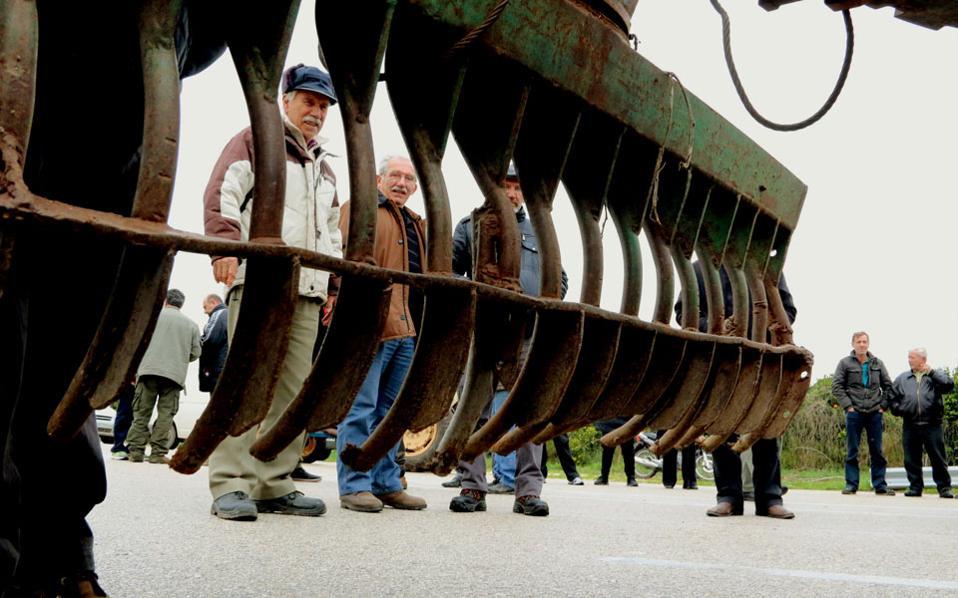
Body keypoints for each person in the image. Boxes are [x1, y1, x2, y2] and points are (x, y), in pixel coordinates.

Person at [203, 63, 342, 521]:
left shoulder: (325, 166)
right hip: (261, 283)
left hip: (308, 289)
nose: (316, 112)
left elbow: (330, 233)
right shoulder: (256, 139)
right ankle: (230, 482)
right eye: (309, 102)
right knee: (247, 384)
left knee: (290, 392)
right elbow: (223, 190)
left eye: (323, 106)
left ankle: (273, 482)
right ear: (286, 101)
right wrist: (223, 245)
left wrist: (333, 285)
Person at [448, 163, 568, 516]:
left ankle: (528, 492)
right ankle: (472, 486)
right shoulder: (470, 226)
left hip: (528, 334)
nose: (513, 194)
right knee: (473, 410)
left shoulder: (541, 232)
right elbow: (452, 271)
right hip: (484, 332)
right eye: (506, 186)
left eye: (518, 188)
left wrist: (544, 304)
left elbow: (559, 279)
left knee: (529, 414)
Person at [335, 155, 428, 513]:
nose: (402, 183)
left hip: (406, 328)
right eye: (395, 175)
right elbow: (339, 257)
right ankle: (354, 484)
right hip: (369, 326)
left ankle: (386, 482)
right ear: (378, 179)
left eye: (408, 178)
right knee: (361, 407)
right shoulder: (359, 209)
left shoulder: (415, 222)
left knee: (391, 412)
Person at [676, 262, 796, 519]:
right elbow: (682, 312)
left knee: (765, 429)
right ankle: (729, 496)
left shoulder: (765, 268)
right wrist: (718, 327)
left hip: (762, 359)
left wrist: (759, 329)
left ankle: (770, 498)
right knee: (722, 427)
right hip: (721, 362)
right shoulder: (699, 270)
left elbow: (788, 309)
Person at [126, 289, 201, 464]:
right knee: (166, 414)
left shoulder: (151, 318)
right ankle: (157, 453)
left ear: (165, 300)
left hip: (148, 371)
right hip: (174, 375)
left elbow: (136, 343)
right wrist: (180, 358)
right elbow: (196, 353)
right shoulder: (191, 325)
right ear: (181, 304)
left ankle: (136, 451)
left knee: (141, 413)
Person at [831, 331, 895, 495]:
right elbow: (837, 387)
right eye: (858, 341)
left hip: (875, 412)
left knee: (877, 451)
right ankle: (851, 484)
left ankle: (880, 485)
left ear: (868, 344)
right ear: (853, 344)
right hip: (854, 413)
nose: (862, 344)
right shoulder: (845, 363)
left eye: (864, 341)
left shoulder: (877, 363)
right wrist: (848, 406)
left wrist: (883, 406)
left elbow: (888, 387)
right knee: (852, 450)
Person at [887, 348, 954, 499]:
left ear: (922, 359)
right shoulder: (903, 378)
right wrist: (899, 409)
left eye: (912, 357)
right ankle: (915, 487)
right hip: (910, 424)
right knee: (911, 458)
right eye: (908, 357)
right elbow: (891, 396)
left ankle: (944, 488)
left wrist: (932, 372)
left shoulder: (936, 375)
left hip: (932, 424)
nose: (909, 360)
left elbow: (948, 385)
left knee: (938, 457)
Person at [198, 293, 228, 393]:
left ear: (213, 302)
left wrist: (197, 342)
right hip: (224, 366)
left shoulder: (219, 314)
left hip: (218, 369)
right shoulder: (228, 314)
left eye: (205, 307)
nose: (204, 311)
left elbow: (210, 339)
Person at [594, 419, 637, 486]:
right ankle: (604, 477)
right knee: (607, 451)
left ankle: (631, 477)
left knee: (628, 450)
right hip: (609, 422)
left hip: (626, 422)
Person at [109, 380, 136, 461]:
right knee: (124, 412)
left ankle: (135, 448)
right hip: (130, 382)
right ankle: (118, 446)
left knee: (139, 417)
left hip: (143, 383)